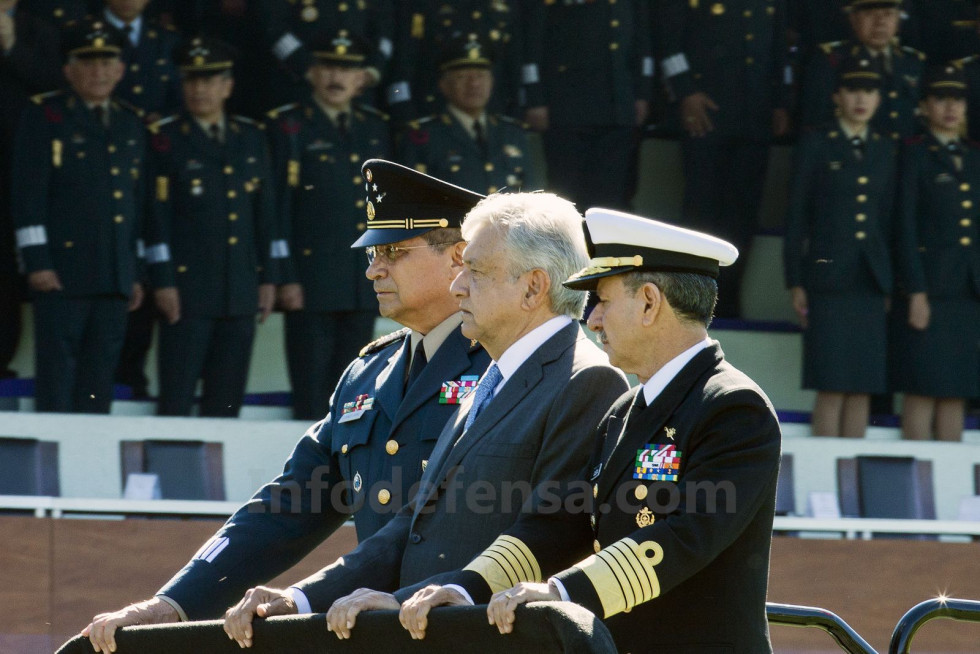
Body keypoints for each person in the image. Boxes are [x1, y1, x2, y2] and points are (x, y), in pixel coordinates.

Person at [81, 159, 491, 652]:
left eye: (394, 252)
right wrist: (172, 604)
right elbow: (287, 504)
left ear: (459, 257)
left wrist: (300, 599)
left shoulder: (500, 362)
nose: (373, 269)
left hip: (471, 629)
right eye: (372, 254)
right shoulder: (369, 371)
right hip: (377, 632)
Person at [221, 191, 629, 649]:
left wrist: (425, 596)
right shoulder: (492, 379)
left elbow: (554, 530)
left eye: (474, 272)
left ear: (533, 287)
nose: (458, 287)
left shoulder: (587, 378)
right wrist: (299, 600)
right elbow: (413, 526)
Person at [405, 208, 781, 653]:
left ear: (648, 301)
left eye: (602, 300)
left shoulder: (733, 406)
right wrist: (467, 588)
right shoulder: (625, 410)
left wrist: (562, 593)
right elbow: (562, 522)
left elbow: (685, 536)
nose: (593, 319)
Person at [142, 36, 281, 417]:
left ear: (227, 86)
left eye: (209, 80)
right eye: (191, 80)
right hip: (186, 291)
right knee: (177, 395)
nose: (199, 89)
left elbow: (265, 215)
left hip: (239, 288)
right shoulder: (165, 138)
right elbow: (156, 221)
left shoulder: (250, 137)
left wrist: (269, 277)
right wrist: (164, 280)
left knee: (228, 397)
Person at [11, 18, 145, 413]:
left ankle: (92, 458)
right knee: (57, 373)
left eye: (107, 63)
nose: (98, 72)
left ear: (120, 71)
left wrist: (133, 269)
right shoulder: (46, 116)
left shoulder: (129, 122)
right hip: (61, 272)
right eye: (87, 63)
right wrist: (36, 262)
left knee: (99, 375)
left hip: (114, 272)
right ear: (69, 70)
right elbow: (28, 196)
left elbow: (134, 206)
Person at [267, 29, 392, 421]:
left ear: (362, 78)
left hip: (362, 279)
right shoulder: (288, 126)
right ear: (311, 72)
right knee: (310, 389)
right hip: (309, 279)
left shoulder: (376, 128)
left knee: (356, 384)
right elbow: (278, 208)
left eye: (348, 69)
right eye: (327, 67)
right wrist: (284, 275)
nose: (337, 77)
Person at [784, 57, 896, 438]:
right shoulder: (818, 142)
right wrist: (794, 279)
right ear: (837, 96)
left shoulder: (884, 148)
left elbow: (891, 220)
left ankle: (850, 477)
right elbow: (796, 217)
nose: (861, 99)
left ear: (879, 99)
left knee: (862, 383)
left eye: (870, 92)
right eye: (853, 91)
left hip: (871, 277)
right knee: (831, 381)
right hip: (828, 276)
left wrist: (892, 282)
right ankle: (827, 481)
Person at [659, 0, 792, 318]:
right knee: (701, 211)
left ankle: (729, 300)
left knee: (743, 216)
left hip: (754, 117)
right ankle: (692, 302)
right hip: (706, 116)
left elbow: (780, 50)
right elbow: (668, 42)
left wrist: (781, 101)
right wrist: (685, 91)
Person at [892, 65, 980, 441]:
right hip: (930, 286)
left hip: (967, 289)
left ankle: (947, 494)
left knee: (955, 389)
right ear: (925, 107)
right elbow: (905, 228)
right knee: (923, 386)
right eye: (941, 99)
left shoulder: (974, 158)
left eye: (957, 99)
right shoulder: (914, 155)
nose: (950, 107)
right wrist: (916, 291)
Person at [102, 0, 182, 400]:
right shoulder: (87, 31)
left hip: (160, 157)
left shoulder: (165, 40)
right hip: (111, 152)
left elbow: (177, 97)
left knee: (153, 259)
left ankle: (132, 372)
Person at [521, 0, 653, 212]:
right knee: (566, 200)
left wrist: (642, 92)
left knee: (612, 201)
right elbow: (532, 42)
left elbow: (642, 43)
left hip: (618, 110)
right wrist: (535, 97)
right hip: (567, 110)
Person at [0, 0, 62, 379]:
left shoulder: (38, 30)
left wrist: (10, 49)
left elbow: (55, 83)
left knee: (7, 271)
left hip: (17, 168)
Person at [399, 33, 540, 195]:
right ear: (444, 85)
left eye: (480, 76)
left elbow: (532, 194)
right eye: (462, 77)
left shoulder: (513, 132)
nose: (474, 84)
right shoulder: (422, 137)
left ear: (492, 83)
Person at [800, 0, 925, 141]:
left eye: (888, 14)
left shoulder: (913, 62)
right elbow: (815, 124)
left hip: (906, 158)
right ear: (853, 19)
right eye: (870, 14)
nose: (880, 23)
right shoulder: (831, 61)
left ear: (898, 20)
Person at [387, 0, 523, 121]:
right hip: (433, 110)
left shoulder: (509, 4)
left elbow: (515, 61)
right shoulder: (418, 3)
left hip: (493, 110)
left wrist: (519, 105)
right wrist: (401, 106)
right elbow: (402, 61)